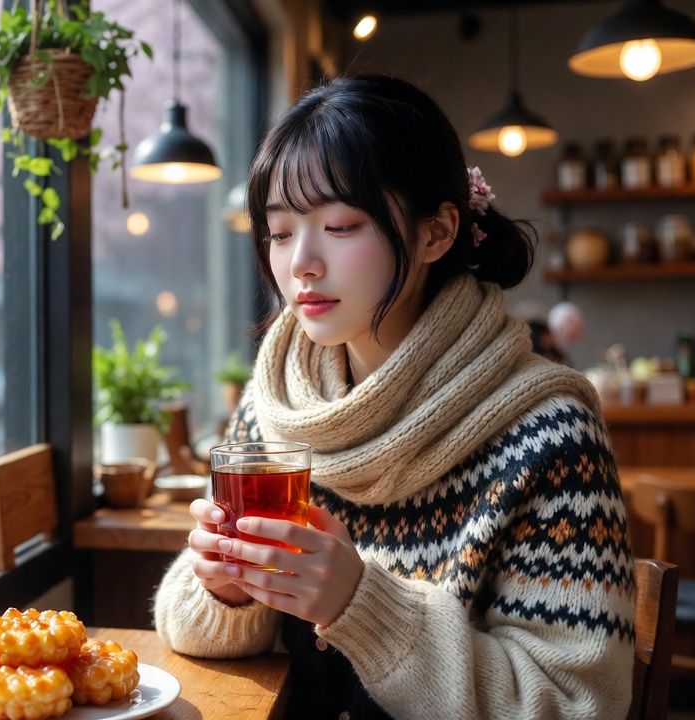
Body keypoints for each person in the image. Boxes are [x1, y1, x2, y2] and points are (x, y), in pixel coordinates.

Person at [152, 75, 635, 719]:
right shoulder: (273, 406)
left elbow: (580, 705)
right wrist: (227, 593)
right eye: (279, 232)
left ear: (436, 233)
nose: (301, 263)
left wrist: (363, 606)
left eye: (342, 225)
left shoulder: (549, 434)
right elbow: (193, 637)